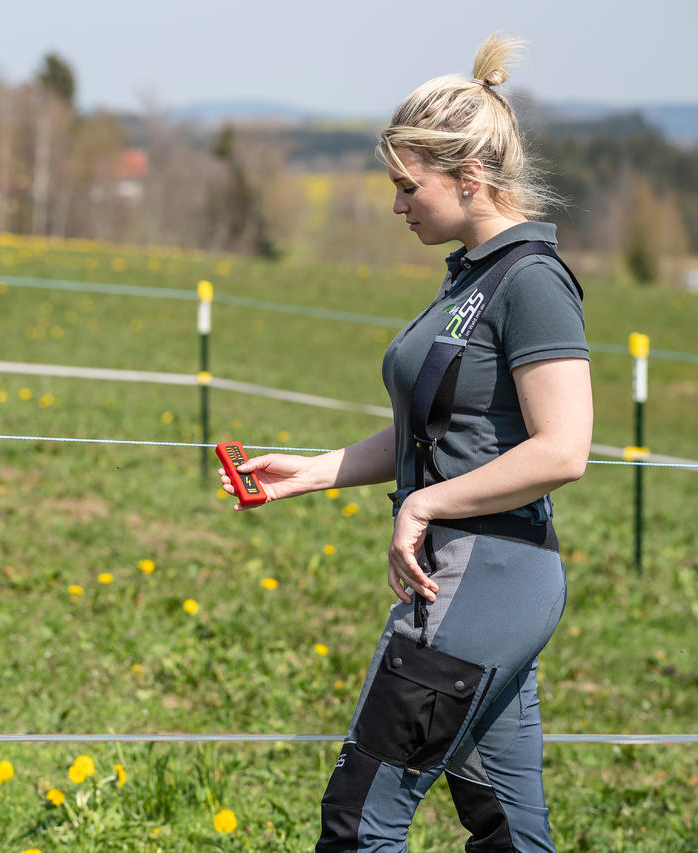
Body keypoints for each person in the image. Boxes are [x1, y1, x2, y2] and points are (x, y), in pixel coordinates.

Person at [219, 34, 592, 852]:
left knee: (360, 822)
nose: (397, 206)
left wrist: (425, 501)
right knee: (510, 832)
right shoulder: (472, 273)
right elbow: (439, 428)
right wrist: (311, 471)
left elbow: (564, 449)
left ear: (470, 177)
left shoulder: (531, 281)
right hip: (475, 589)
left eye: (406, 186)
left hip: (483, 580)